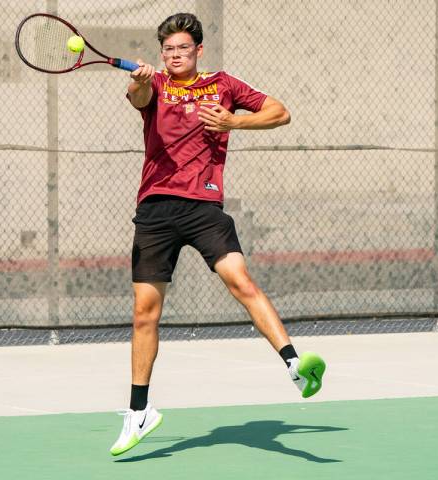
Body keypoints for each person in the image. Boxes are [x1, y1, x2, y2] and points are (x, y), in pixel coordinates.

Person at [110, 12, 326, 457]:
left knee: (242, 282)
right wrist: (143, 81)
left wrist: (235, 123)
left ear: (198, 51)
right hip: (155, 208)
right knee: (144, 313)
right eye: (168, 49)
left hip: (204, 207)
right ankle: (139, 412)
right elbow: (138, 95)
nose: (174, 55)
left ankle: (294, 366)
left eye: (183, 49)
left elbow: (280, 111)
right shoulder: (156, 84)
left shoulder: (223, 84)